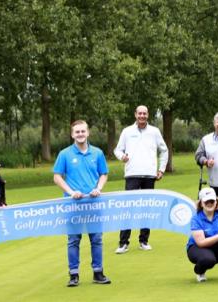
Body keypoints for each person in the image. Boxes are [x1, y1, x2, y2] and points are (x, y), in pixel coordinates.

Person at [53, 120, 111, 287]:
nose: (80, 134)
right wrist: (71, 192)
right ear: (72, 134)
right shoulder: (65, 154)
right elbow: (57, 177)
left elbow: (104, 174)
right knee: (73, 240)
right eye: (77, 132)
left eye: (82, 131)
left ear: (88, 133)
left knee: (96, 239)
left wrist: (98, 188)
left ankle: (98, 273)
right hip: (73, 204)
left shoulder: (97, 153)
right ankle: (74, 275)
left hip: (93, 203)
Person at [113, 105, 169, 254]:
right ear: (135, 114)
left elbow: (164, 150)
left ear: (148, 115)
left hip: (149, 174)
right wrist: (122, 156)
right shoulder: (127, 131)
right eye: (140, 113)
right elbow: (117, 149)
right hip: (132, 174)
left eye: (144, 113)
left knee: (146, 209)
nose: (142, 116)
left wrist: (161, 169)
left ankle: (144, 241)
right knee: (128, 208)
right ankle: (123, 243)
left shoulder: (154, 131)